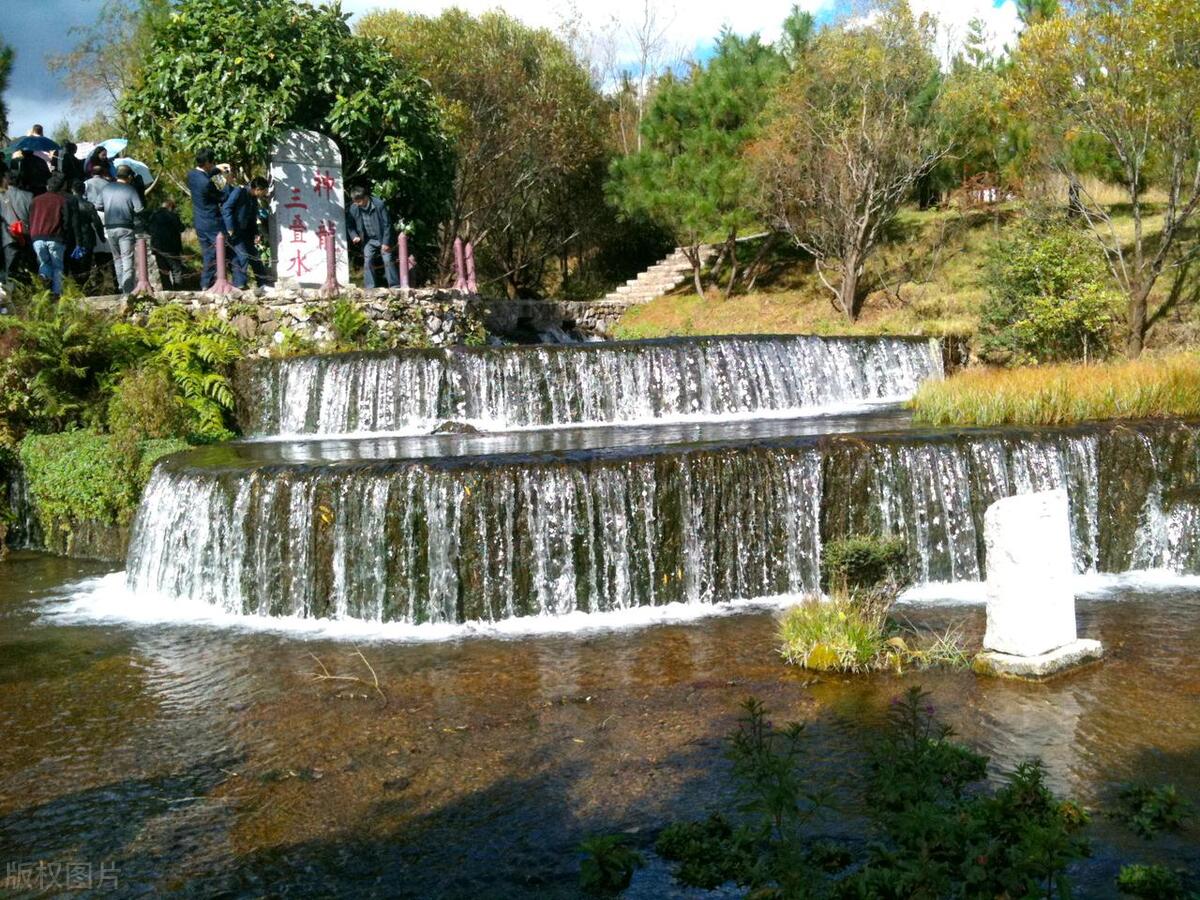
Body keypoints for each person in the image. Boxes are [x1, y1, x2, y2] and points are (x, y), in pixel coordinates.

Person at [29, 173, 75, 295]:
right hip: (55, 237)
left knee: (44, 264)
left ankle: (44, 290)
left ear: (47, 186)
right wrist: (66, 237)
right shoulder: (62, 201)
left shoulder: (35, 200)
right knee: (57, 267)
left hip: (37, 237)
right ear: (61, 187)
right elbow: (66, 221)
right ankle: (57, 294)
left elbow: (31, 218)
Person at [100, 165, 144, 294]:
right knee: (127, 261)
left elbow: (98, 204)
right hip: (126, 228)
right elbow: (139, 209)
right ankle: (128, 291)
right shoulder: (130, 190)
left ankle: (120, 288)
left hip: (109, 228)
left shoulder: (106, 188)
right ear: (129, 177)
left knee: (117, 260)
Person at [222, 176, 271, 288]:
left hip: (247, 233)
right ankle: (240, 284)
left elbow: (252, 218)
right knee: (242, 256)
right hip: (234, 232)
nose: (264, 194)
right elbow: (226, 208)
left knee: (255, 257)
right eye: (264, 191)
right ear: (258, 189)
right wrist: (230, 227)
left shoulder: (253, 198)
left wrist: (256, 233)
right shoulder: (239, 191)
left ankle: (262, 283)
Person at [188, 148, 227, 289]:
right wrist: (228, 181)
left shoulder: (191, 175)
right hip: (212, 223)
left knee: (208, 254)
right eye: (213, 162)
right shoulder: (207, 184)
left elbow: (205, 174)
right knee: (217, 254)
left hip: (200, 222)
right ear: (208, 162)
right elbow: (222, 196)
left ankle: (206, 284)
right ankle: (210, 283)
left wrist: (216, 169)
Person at [347, 185, 399, 288]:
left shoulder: (379, 204)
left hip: (382, 238)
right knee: (367, 261)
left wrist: (386, 242)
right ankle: (370, 287)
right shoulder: (354, 208)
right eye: (355, 201)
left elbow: (387, 224)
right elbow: (349, 225)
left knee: (387, 260)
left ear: (365, 197)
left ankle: (395, 286)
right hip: (368, 240)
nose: (357, 204)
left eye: (359, 201)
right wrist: (354, 236)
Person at [1, 170, 36, 283]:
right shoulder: (28, 195)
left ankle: (11, 293)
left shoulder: (1, 196)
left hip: (8, 237)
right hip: (26, 235)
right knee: (31, 267)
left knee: (9, 269)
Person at [67, 180, 105, 281]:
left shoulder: (66, 204)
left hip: (71, 237)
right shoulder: (88, 205)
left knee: (73, 264)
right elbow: (97, 223)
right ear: (84, 191)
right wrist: (102, 237)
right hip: (87, 236)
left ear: (72, 190)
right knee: (86, 263)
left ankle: (75, 284)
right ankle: (83, 283)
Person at [148, 198, 186, 288]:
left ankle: (167, 290)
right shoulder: (172, 215)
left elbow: (148, 229)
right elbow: (181, 228)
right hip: (171, 247)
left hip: (158, 248)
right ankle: (178, 289)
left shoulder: (153, 216)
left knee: (163, 271)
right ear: (170, 207)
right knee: (176, 270)